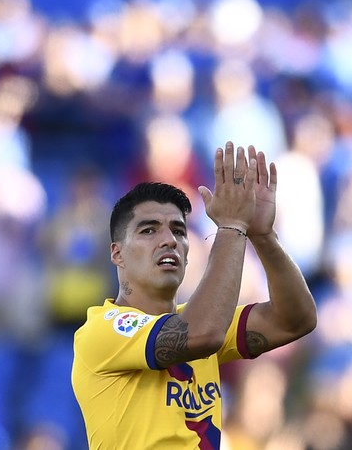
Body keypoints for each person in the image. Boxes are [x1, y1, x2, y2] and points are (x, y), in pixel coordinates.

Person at [71, 141, 317, 449]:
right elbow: (201, 334)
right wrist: (231, 226)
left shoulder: (201, 318)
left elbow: (296, 320)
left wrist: (262, 236)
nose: (169, 241)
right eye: (149, 230)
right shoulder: (103, 331)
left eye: (178, 230)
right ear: (117, 254)